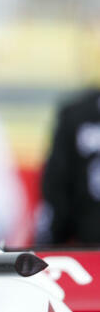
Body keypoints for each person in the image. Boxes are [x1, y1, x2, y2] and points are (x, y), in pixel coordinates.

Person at [36, 88, 100, 245]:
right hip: (89, 248)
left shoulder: (76, 113)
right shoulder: (75, 114)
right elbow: (56, 189)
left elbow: (55, 193)